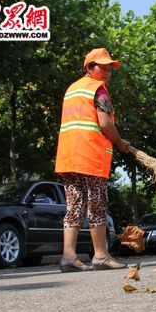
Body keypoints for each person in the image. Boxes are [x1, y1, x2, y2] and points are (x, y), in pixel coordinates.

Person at [55, 47, 130, 272]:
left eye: (109, 68)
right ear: (89, 67)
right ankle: (100, 255)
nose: (107, 72)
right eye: (102, 67)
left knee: (74, 206)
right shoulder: (98, 90)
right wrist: (120, 143)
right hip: (90, 156)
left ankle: (69, 257)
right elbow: (105, 123)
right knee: (97, 205)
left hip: (69, 157)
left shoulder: (72, 89)